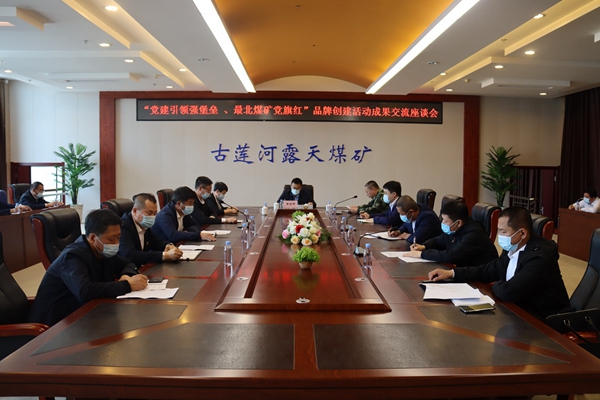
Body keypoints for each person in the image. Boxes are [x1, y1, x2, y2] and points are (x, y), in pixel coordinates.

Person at [428, 206, 570, 321]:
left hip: (544, 321)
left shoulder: (539, 258)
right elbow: (487, 270)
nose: (500, 236)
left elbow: (508, 291)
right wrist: (452, 273)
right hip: (517, 311)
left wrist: (494, 285)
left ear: (522, 233)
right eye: (499, 231)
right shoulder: (513, 247)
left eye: (503, 231)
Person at [28, 209, 149, 326]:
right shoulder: (72, 257)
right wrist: (127, 285)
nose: (116, 243)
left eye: (118, 237)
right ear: (92, 238)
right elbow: (84, 291)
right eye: (112, 239)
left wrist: (126, 275)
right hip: (55, 324)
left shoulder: (102, 251)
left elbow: (129, 264)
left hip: (84, 313)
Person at [404, 199, 498, 266]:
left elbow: (452, 256)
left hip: (479, 278)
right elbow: (440, 240)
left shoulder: (474, 234)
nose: (442, 223)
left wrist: (421, 254)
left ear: (458, 223)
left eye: (445, 221)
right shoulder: (456, 228)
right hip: (464, 270)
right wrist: (423, 246)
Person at [119, 193, 183, 267]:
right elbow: (130, 255)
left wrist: (167, 246)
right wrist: (164, 255)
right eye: (149, 213)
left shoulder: (143, 224)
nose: (152, 217)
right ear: (135, 211)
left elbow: (155, 241)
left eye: (155, 213)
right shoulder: (123, 226)